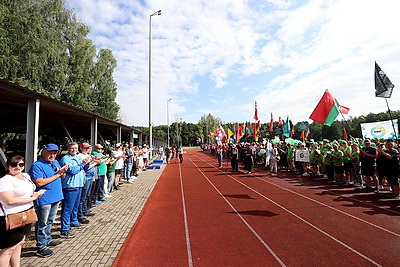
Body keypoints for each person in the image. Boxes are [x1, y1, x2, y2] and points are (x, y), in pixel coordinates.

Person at [0, 155, 45, 266]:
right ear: (7, 166)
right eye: (14, 165)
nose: (17, 167)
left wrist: (35, 194)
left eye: (21, 164)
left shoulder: (25, 176)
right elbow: (9, 201)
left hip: (26, 214)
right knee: (7, 249)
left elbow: (27, 192)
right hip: (11, 216)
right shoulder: (5, 180)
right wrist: (32, 198)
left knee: (19, 244)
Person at [28, 144, 69, 257]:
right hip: (45, 199)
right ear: (43, 152)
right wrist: (58, 174)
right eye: (50, 152)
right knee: (42, 222)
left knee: (50, 220)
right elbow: (39, 182)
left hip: (56, 196)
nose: (53, 155)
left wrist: (63, 172)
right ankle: (41, 246)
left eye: (55, 153)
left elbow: (61, 176)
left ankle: (47, 239)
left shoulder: (55, 162)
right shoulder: (37, 166)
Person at [60, 142, 91, 238]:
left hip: (79, 184)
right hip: (70, 185)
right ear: (68, 149)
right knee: (67, 208)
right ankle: (65, 229)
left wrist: (87, 163)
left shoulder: (78, 157)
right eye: (72, 148)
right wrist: (82, 164)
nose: (74, 150)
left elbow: (84, 168)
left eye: (76, 148)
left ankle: (74, 221)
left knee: (75, 206)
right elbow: (72, 171)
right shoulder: (66, 159)